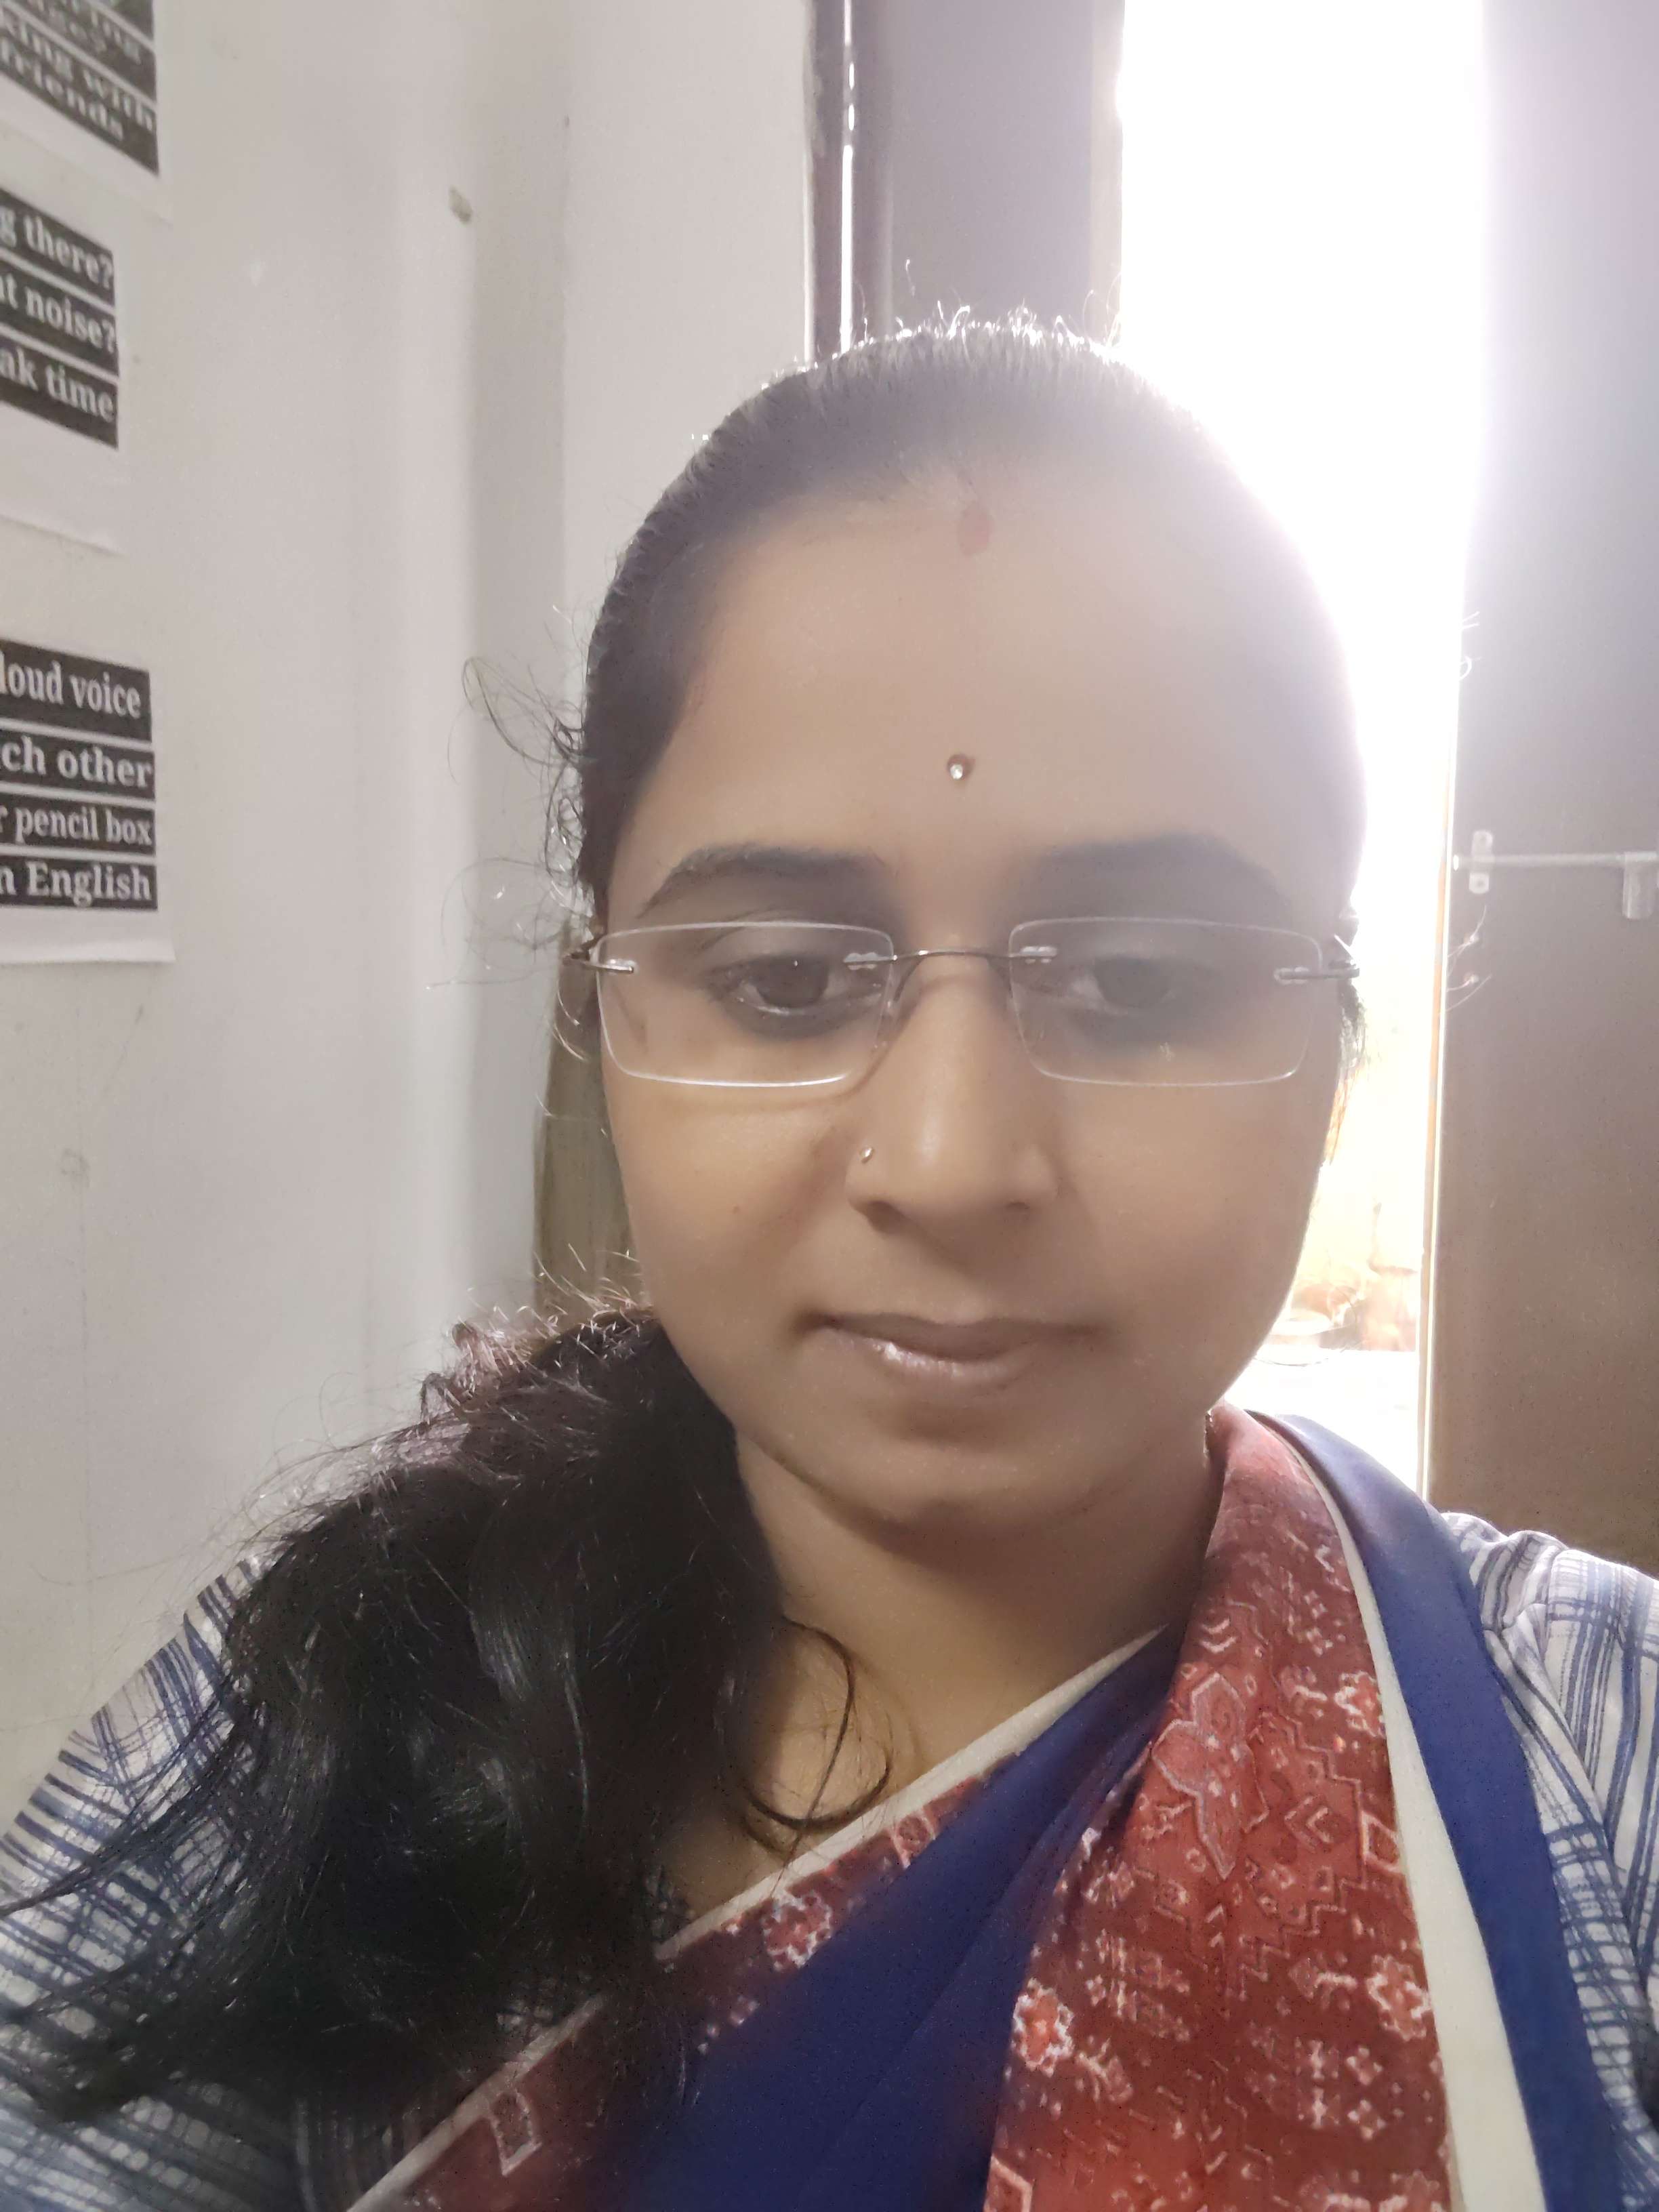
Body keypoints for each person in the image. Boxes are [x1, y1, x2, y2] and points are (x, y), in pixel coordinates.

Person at [2, 321, 1656, 2212]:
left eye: (1140, 984)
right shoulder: (321, 1737)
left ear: (1335, 1052)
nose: (950, 1165)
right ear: (605, 1030)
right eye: (787, 983)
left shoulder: (1576, 1757)